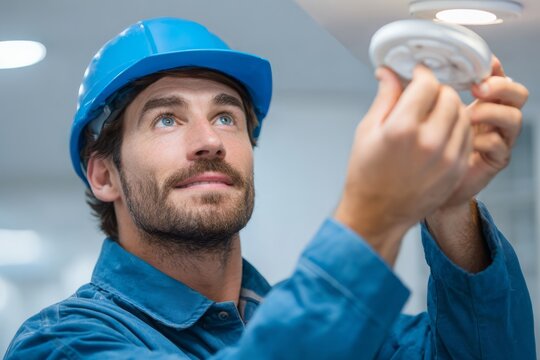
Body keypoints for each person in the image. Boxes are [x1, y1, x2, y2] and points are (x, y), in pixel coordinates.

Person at [4, 17, 534, 359]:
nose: (209, 140)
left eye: (227, 117)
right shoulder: (62, 343)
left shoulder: (348, 335)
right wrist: (371, 219)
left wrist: (446, 203)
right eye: (166, 120)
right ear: (104, 175)